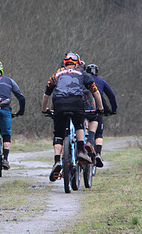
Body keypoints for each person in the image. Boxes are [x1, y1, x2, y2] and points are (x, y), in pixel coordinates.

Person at [41, 51, 104, 182]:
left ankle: (57, 161)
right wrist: (100, 108)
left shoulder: (57, 73)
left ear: (64, 62)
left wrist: (45, 109)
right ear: (78, 63)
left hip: (59, 103)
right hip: (77, 103)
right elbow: (95, 92)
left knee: (58, 134)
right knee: (79, 124)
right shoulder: (82, 73)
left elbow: (47, 94)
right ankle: (81, 151)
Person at [84, 63, 117, 167]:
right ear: (97, 73)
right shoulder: (101, 81)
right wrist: (113, 109)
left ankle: (82, 146)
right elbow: (111, 96)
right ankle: (98, 154)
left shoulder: (82, 80)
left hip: (82, 107)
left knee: (82, 127)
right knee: (98, 133)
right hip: (97, 108)